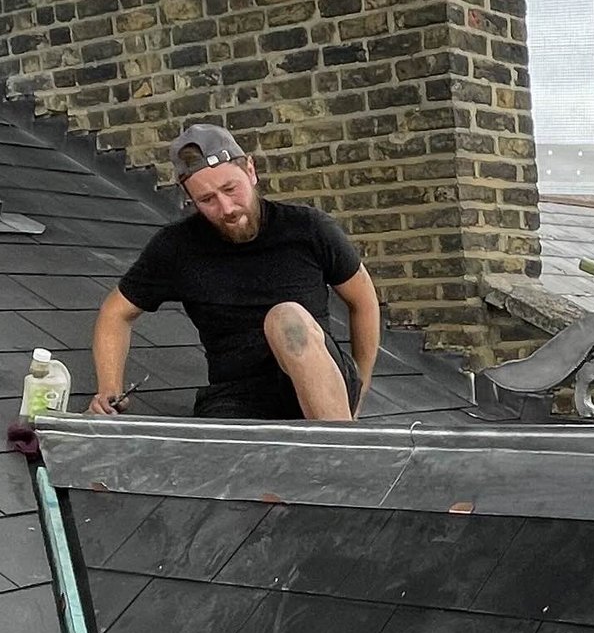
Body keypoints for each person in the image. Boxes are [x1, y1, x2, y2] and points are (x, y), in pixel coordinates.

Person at [88, 124, 379, 422]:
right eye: (207, 200)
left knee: (285, 318)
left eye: (230, 189)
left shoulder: (308, 228)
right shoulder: (177, 247)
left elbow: (363, 299)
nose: (226, 208)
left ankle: (344, 446)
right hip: (237, 395)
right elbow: (116, 311)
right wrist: (109, 389)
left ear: (250, 171)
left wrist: (359, 387)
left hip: (316, 373)